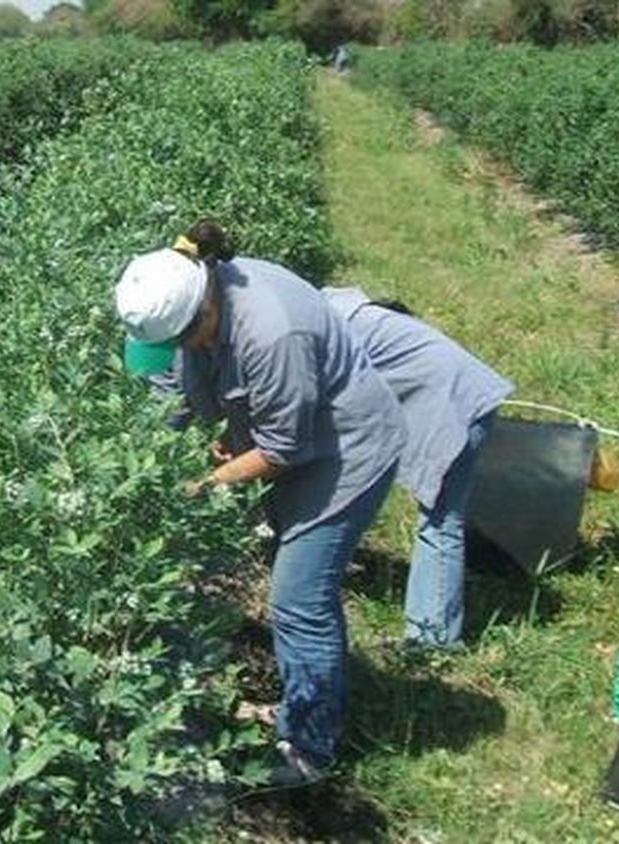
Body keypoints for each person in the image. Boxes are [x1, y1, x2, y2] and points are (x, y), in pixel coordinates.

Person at [114, 224, 405, 786]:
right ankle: (312, 697)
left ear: (203, 308)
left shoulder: (274, 331)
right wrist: (139, 466)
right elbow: (179, 394)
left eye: (185, 340)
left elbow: (284, 446)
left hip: (346, 453)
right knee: (302, 589)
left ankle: (309, 752)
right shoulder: (202, 301)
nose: (185, 352)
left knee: (299, 597)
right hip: (301, 444)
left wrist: (205, 481)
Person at [322, 288, 513, 650]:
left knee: (441, 520)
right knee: (439, 517)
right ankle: (432, 632)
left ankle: (434, 640)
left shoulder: (330, 331)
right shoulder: (337, 312)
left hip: (457, 404)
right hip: (460, 392)